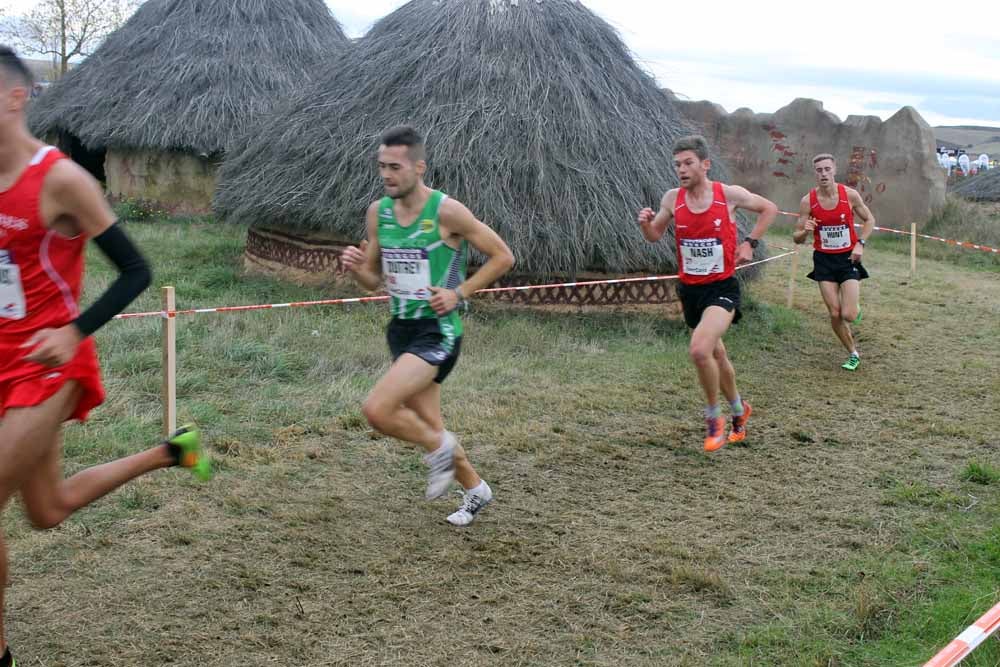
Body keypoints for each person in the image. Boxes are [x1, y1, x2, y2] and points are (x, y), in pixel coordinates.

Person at [0, 46, 211, 666]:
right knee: (48, 508)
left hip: (50, 366)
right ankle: (175, 451)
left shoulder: (60, 178)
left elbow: (136, 270)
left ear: (16, 97)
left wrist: (74, 331)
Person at [340, 126, 514, 526]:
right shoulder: (377, 213)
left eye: (395, 167)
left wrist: (459, 293)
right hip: (400, 329)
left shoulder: (446, 211)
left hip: (439, 331)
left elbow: (503, 256)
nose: (387, 175)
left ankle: (439, 450)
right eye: (382, 166)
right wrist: (354, 269)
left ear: (419, 167)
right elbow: (372, 279)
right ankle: (475, 490)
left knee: (378, 409)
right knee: (430, 425)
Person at [637, 135, 777, 452]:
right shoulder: (672, 199)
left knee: (700, 350)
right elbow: (655, 234)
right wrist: (645, 224)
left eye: (688, 163)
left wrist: (749, 243)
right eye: (677, 165)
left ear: (705, 164)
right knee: (717, 355)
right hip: (691, 290)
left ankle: (715, 417)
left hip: (721, 287)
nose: (681, 170)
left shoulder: (726, 195)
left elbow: (769, 208)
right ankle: (740, 410)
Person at [793, 153, 875, 371]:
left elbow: (869, 220)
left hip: (848, 258)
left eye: (827, 169)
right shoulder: (807, 201)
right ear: (815, 173)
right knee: (834, 313)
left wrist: (861, 243)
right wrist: (805, 232)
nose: (823, 174)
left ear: (834, 170)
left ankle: (854, 307)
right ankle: (853, 353)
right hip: (823, 261)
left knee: (848, 314)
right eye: (819, 170)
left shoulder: (849, 195)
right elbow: (797, 237)